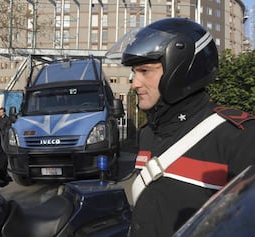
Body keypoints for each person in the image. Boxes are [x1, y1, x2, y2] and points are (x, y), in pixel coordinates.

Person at [106, 18, 255, 237]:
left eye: (145, 71)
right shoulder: (148, 134)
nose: (134, 83)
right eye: (134, 72)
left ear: (181, 70)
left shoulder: (237, 136)